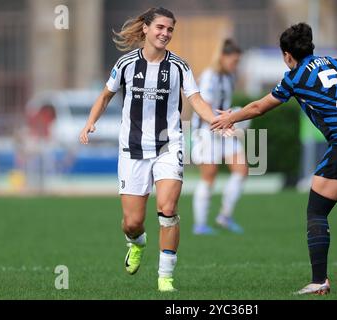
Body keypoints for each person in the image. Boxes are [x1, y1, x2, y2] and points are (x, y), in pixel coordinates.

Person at [212, 23, 337, 295]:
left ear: (287, 55)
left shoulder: (294, 78)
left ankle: (319, 281)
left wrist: (230, 117)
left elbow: (259, 107)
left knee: (317, 211)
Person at [79, 7, 219, 292]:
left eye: (170, 30)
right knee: (132, 222)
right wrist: (90, 123)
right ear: (145, 28)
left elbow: (196, 100)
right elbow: (105, 95)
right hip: (132, 148)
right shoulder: (127, 64)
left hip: (169, 145)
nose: (165, 34)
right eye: (160, 28)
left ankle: (165, 278)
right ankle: (136, 242)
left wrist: (217, 119)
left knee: (167, 209)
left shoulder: (179, 66)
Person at [191, 39, 248, 235]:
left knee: (241, 169)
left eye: (238, 61)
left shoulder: (229, 77)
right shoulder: (210, 76)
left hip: (223, 129)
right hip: (206, 131)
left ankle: (225, 216)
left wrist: (235, 116)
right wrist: (224, 122)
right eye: (233, 60)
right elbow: (203, 105)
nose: (235, 65)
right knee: (209, 175)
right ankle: (200, 224)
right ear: (222, 58)